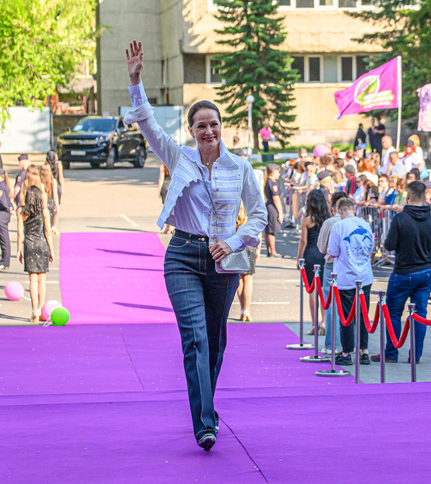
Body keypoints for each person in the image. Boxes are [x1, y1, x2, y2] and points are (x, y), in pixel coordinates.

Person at [124, 40, 266, 451]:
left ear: (222, 128)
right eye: (200, 125)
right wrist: (136, 81)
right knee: (196, 339)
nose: (208, 131)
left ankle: (207, 404)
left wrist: (234, 240)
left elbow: (258, 215)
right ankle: (205, 423)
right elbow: (148, 123)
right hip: (183, 257)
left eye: (214, 124)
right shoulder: (178, 156)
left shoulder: (239, 166)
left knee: (217, 341)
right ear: (191, 130)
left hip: (224, 262)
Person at [368, 181, 431, 364]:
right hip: (425, 271)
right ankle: (415, 354)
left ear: (407, 197)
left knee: (393, 312)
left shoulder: (401, 218)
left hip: (403, 271)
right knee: (420, 313)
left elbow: (389, 245)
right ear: (425, 197)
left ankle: (391, 352)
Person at [329, 198, 374, 366]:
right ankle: (364, 351)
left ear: (340, 211)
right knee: (363, 314)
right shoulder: (365, 224)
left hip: (346, 276)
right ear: (353, 209)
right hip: (364, 276)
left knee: (346, 316)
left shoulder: (338, 226)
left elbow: (333, 251)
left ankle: (347, 352)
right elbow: (370, 247)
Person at [317, 191, 349, 355]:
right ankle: (351, 345)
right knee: (350, 306)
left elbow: (322, 247)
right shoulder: (357, 222)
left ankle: (332, 344)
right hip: (352, 267)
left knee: (332, 305)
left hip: (332, 265)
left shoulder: (330, 222)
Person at [17, 185, 54, 322]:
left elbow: (20, 233)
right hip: (41, 244)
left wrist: (19, 250)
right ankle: (41, 307)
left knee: (32, 279)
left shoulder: (21, 212)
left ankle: (34, 311)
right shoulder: (44, 211)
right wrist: (52, 251)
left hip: (29, 245)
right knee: (42, 279)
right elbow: (48, 232)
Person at [297, 190, 330, 336]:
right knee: (324, 288)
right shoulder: (328, 218)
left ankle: (314, 323)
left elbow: (303, 241)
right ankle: (324, 321)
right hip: (324, 253)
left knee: (312, 289)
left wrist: (299, 258)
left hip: (311, 252)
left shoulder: (307, 218)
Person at [235, 204, 260, 322]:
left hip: (236, 244)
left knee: (239, 278)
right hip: (249, 245)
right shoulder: (251, 211)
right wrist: (258, 248)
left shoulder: (234, 210)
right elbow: (258, 229)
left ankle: (242, 308)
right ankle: (247, 309)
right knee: (248, 278)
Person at [264, 164, 283, 257]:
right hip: (272, 207)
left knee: (268, 230)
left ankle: (269, 250)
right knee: (271, 229)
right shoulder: (273, 183)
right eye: (277, 172)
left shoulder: (268, 181)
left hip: (268, 206)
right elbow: (276, 199)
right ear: (273, 173)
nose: (279, 174)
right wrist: (280, 213)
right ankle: (273, 251)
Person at [39, 164, 60, 234]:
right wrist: (56, 206)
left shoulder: (39, 182)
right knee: (49, 227)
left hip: (42, 204)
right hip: (50, 203)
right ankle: (53, 227)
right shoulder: (53, 181)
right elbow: (55, 196)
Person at [158, 163, 174, 233]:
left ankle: (167, 226)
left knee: (166, 208)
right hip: (173, 187)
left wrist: (159, 189)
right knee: (171, 208)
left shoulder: (163, 165)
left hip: (165, 186)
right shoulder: (175, 164)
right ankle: (170, 226)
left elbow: (161, 178)